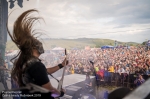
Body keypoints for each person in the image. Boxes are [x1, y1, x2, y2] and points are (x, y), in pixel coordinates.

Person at [7, 9, 68, 99]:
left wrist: (61, 65)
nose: (40, 43)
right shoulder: (36, 66)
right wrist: (61, 93)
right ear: (33, 48)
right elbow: (50, 91)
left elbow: (44, 72)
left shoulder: (27, 62)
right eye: (37, 42)